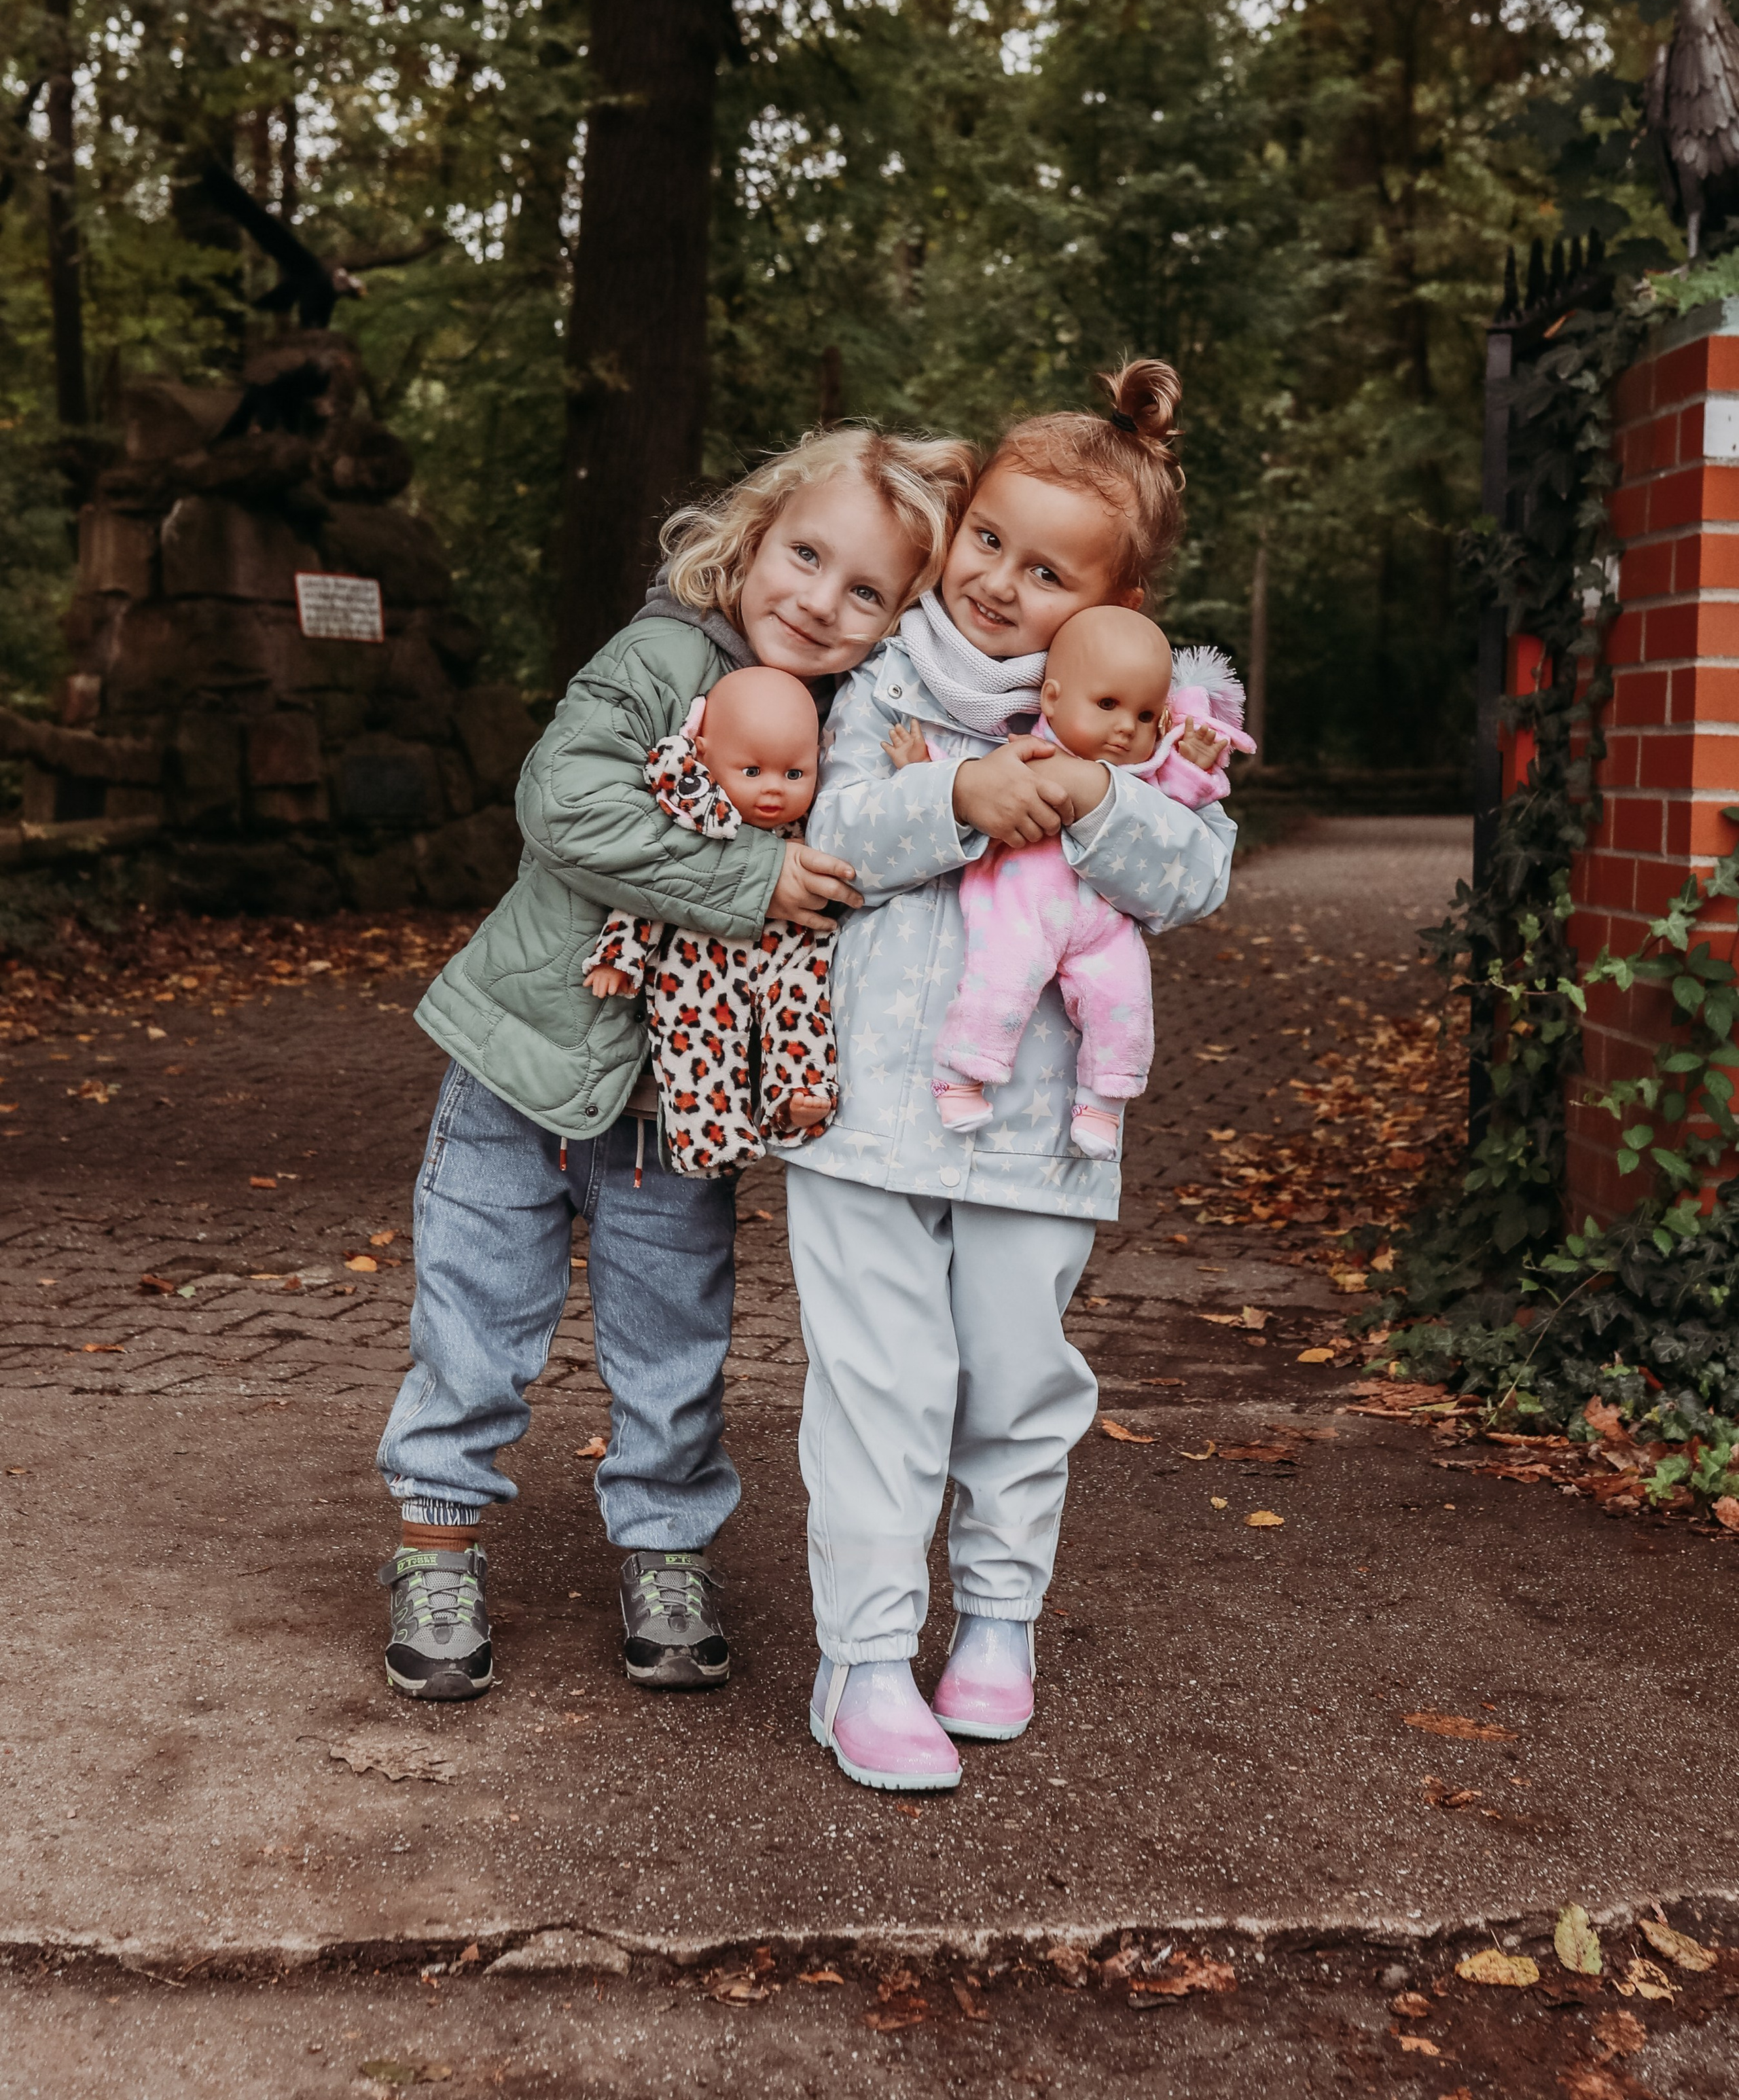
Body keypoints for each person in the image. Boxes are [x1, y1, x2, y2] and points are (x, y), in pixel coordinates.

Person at [374, 424, 977, 1703]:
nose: (818, 600)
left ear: (899, 617)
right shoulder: (660, 657)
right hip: (519, 1069)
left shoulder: (856, 722)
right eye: (805, 555)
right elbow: (563, 803)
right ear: (752, 535)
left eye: (865, 589)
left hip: (679, 1108)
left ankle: (664, 1550)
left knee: (673, 1344)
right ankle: (436, 1544)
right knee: (474, 1323)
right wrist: (752, 878)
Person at [787, 360, 1236, 1792]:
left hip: (1039, 1133)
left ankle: (995, 1625)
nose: (995, 581)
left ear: (1115, 609)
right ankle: (861, 1659)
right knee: (879, 1388)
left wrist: (1102, 796)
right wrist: (955, 798)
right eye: (986, 539)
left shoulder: (1149, 721)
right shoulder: (880, 678)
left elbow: (1194, 881)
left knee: (1014, 1384)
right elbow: (830, 831)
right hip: (863, 1110)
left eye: (1047, 572)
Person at [893, 609, 1253, 1159]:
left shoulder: (1144, 773)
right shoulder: (1028, 750)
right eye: (1107, 705)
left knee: (1125, 1001)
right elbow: (973, 776)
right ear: (1054, 700)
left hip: (1103, 926)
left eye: (1146, 714)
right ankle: (960, 1073)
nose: (1127, 727)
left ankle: (1104, 1100)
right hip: (1019, 905)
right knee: (1001, 984)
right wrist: (923, 765)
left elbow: (1173, 806)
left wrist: (1194, 767)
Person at [583, 666, 838, 1175]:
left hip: (789, 954)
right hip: (700, 961)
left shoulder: (817, 821)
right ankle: (709, 1136)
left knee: (805, 1011)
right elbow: (648, 891)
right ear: (704, 756)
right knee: (698, 1040)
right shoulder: (697, 821)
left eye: (794, 774)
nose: (774, 791)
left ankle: (799, 1093)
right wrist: (621, 957)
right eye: (751, 771)